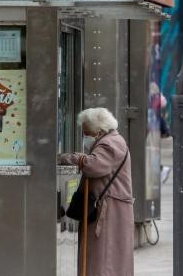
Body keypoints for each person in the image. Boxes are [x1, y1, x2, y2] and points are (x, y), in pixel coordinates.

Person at [58, 108, 134, 276]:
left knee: (103, 257)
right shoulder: (114, 140)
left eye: (86, 132)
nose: (85, 136)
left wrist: (70, 157)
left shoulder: (109, 144)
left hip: (110, 211)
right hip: (111, 208)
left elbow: (94, 166)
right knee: (106, 257)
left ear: (98, 130)